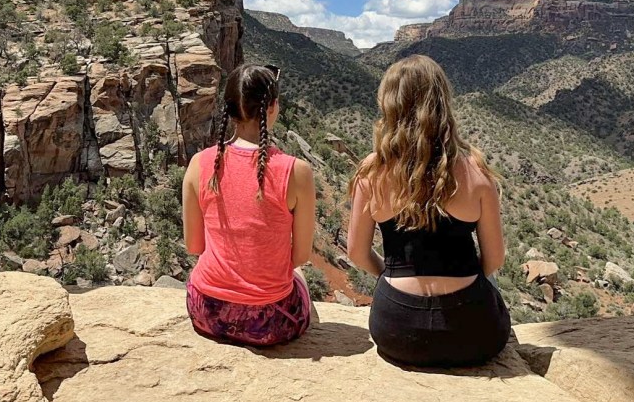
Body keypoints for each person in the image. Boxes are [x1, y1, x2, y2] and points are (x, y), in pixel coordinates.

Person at [347, 54, 511, 368]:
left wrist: (391, 278)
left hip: (397, 331)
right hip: (474, 334)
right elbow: (495, 259)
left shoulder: (371, 172)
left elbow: (357, 253)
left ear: (390, 105)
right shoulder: (475, 172)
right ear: (442, 103)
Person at [182, 63, 316, 347]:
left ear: (228, 110)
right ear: (273, 107)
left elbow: (194, 247)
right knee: (298, 276)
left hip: (206, 310)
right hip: (271, 321)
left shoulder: (199, 164)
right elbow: (300, 256)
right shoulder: (296, 171)